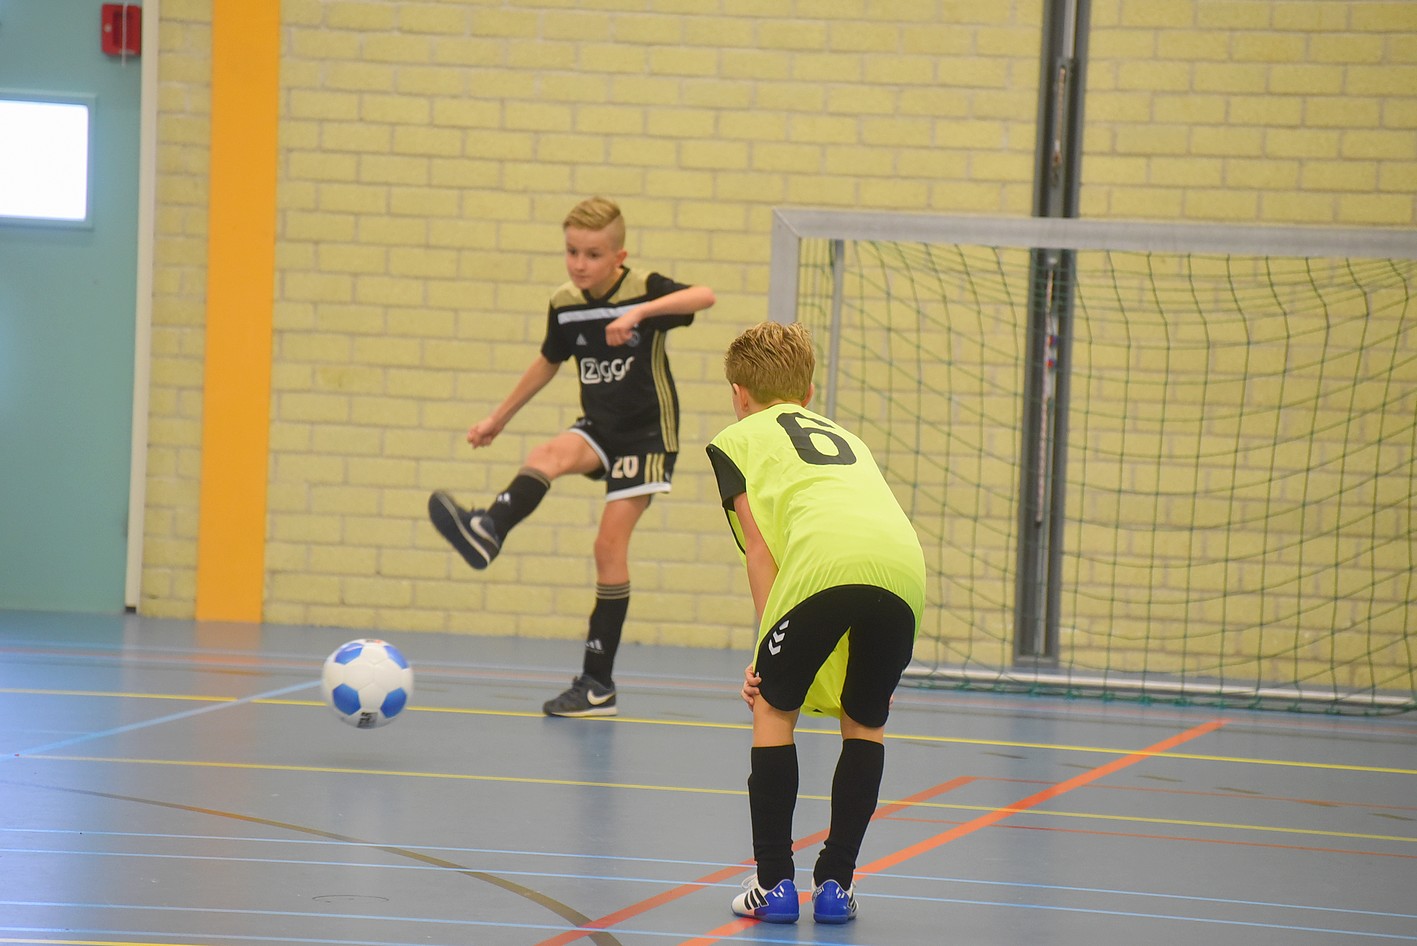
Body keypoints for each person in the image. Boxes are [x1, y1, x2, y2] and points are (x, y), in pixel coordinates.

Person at [429, 196, 715, 717]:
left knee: (608, 547)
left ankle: (597, 684)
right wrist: (497, 419)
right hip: (599, 428)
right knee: (546, 453)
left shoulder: (642, 288)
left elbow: (704, 296)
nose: (580, 264)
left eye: (593, 255)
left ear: (619, 256)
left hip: (647, 436)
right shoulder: (565, 302)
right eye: (572, 252)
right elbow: (548, 361)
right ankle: (489, 530)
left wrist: (639, 313)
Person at [704, 320, 926, 925]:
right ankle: (836, 886)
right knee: (865, 720)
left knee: (772, 705)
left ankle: (774, 884)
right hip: (903, 571)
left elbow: (760, 550)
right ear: (807, 394)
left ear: (739, 395)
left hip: (827, 565)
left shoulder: (737, 439)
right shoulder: (848, 438)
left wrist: (765, 656)